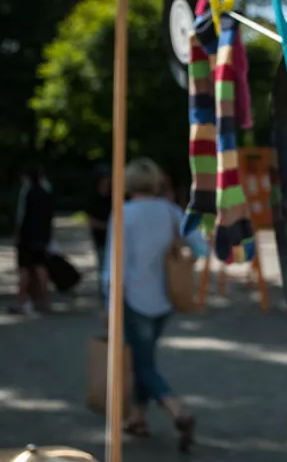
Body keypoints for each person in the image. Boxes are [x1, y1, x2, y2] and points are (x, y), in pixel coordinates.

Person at [102, 157, 208, 453]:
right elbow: (200, 245)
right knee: (143, 358)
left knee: (143, 364)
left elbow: (115, 267)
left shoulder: (124, 214)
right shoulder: (171, 211)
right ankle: (138, 418)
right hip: (166, 299)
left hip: (134, 299)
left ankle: (178, 412)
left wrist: (110, 306)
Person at [13, 164, 54, 314]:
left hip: (27, 237)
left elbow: (21, 216)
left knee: (24, 269)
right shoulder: (46, 193)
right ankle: (45, 300)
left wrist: (17, 235)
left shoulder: (27, 192)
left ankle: (21, 300)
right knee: (41, 268)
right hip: (42, 237)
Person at [86, 172, 111, 304]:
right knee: (102, 266)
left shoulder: (114, 197)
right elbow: (91, 221)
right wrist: (107, 226)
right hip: (100, 238)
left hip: (112, 238)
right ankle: (104, 293)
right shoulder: (94, 199)